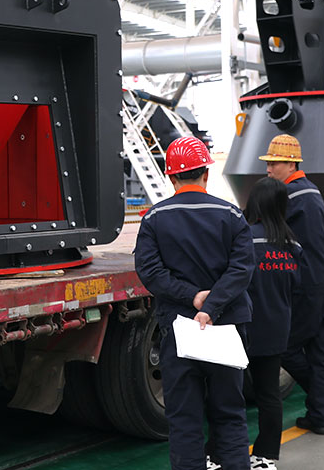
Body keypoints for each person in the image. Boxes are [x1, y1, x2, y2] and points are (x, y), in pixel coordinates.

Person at [134, 136, 255, 470]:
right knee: (229, 413)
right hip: (226, 326)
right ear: (206, 173)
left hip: (180, 329)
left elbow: (150, 272)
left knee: (184, 419)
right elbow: (242, 269)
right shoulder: (231, 215)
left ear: (171, 176)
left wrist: (193, 297)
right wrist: (212, 305)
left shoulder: (154, 218)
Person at [259, 134, 324, 435]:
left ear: (292, 164)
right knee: (321, 348)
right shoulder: (312, 190)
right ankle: (320, 415)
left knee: (285, 345)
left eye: (274, 164)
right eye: (268, 164)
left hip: (305, 281)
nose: (268, 170)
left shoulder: (288, 196)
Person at [238, 178, 302, 470]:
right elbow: (296, 286)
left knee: (229, 395)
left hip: (243, 329)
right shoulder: (292, 245)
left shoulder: (244, 240)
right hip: (276, 330)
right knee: (269, 395)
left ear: (254, 203)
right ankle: (265, 457)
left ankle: (220, 454)